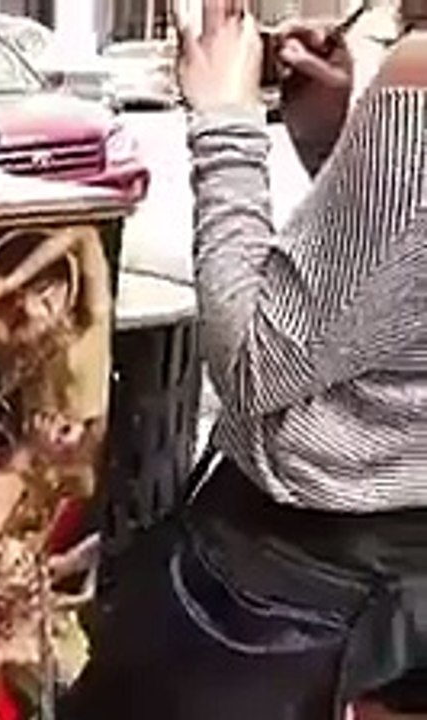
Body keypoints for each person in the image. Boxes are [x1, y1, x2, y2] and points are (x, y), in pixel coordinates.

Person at [59, 0, 427, 718]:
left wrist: (223, 120)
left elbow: (259, 363)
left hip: (288, 588)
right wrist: (335, 141)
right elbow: (394, 300)